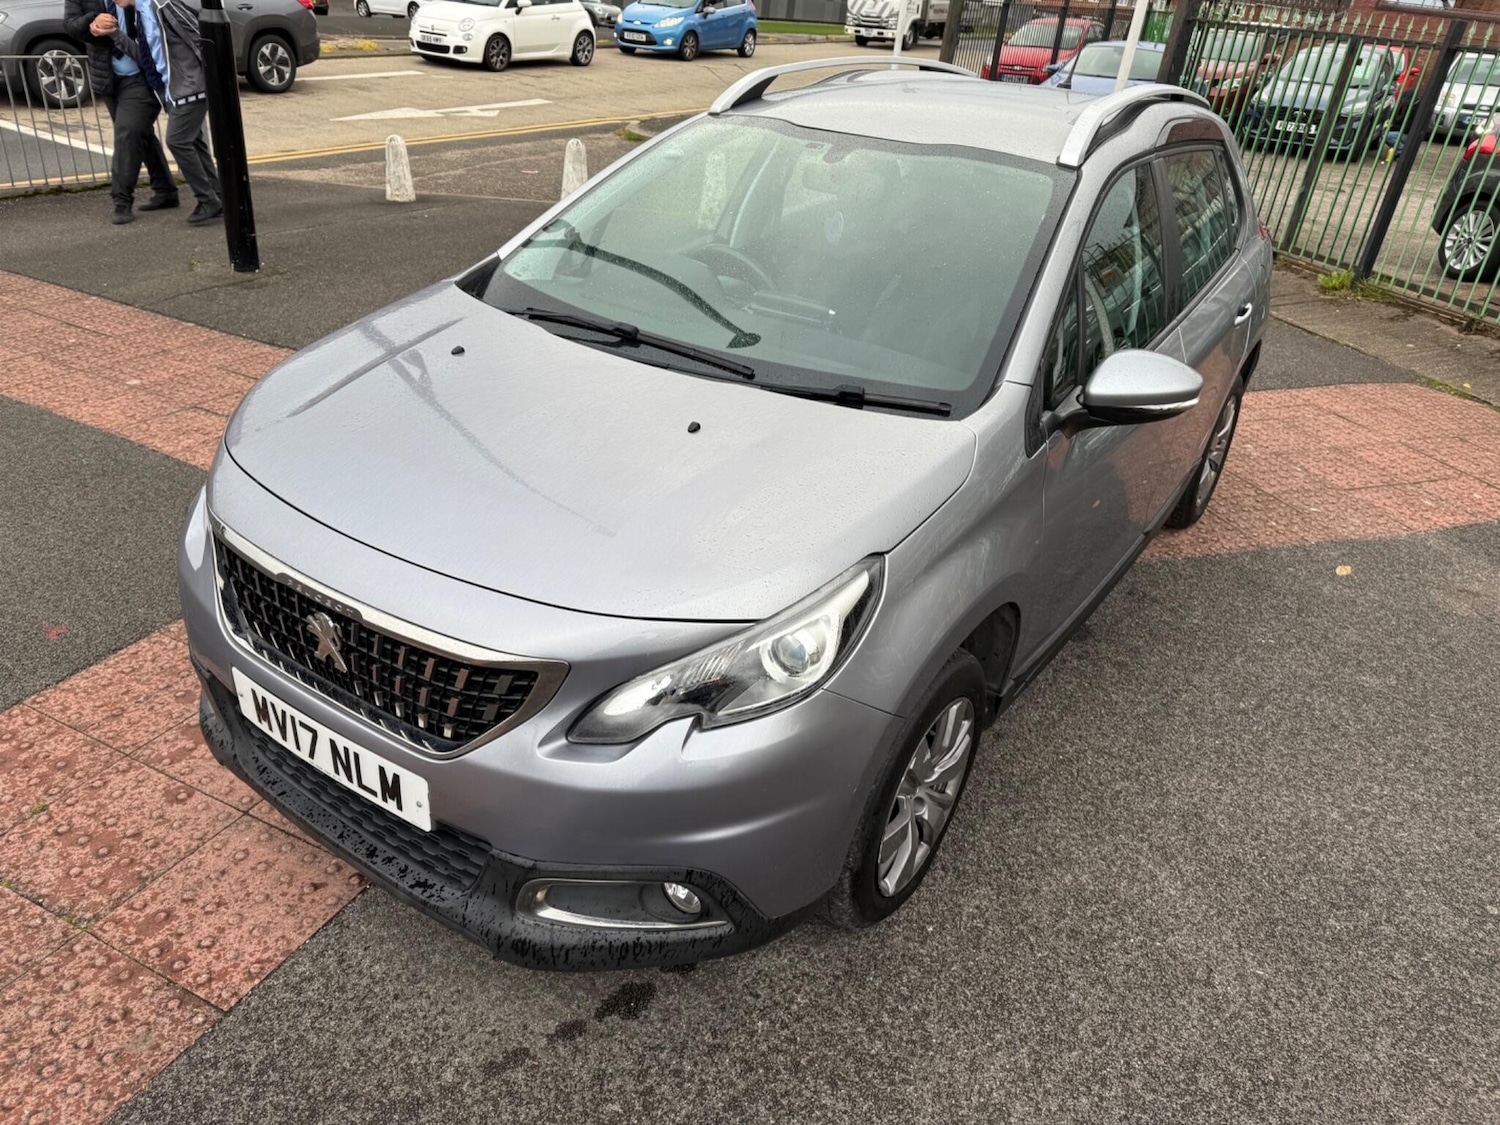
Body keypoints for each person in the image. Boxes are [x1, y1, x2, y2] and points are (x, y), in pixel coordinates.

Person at [108, 0, 224, 225]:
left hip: (191, 87)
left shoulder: (162, 5)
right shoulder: (139, 14)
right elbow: (146, 58)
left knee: (177, 141)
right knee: (195, 144)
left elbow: (198, 37)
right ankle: (218, 196)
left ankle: (207, 200)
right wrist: (116, 34)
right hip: (172, 90)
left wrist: (210, 79)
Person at [63, 0, 178, 225]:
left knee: (127, 132)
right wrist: (91, 21)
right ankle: (165, 190)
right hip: (107, 78)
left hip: (142, 77)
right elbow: (70, 26)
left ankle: (121, 201)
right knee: (140, 135)